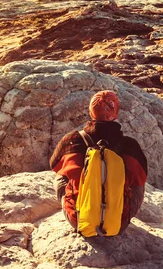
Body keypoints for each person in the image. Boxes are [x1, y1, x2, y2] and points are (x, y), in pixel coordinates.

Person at [49, 90, 148, 234]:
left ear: (91, 112)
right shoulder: (130, 146)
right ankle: (114, 216)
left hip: (79, 220)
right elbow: (141, 177)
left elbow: (54, 165)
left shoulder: (72, 140)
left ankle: (80, 210)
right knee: (138, 182)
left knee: (61, 175)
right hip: (118, 223)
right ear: (116, 113)